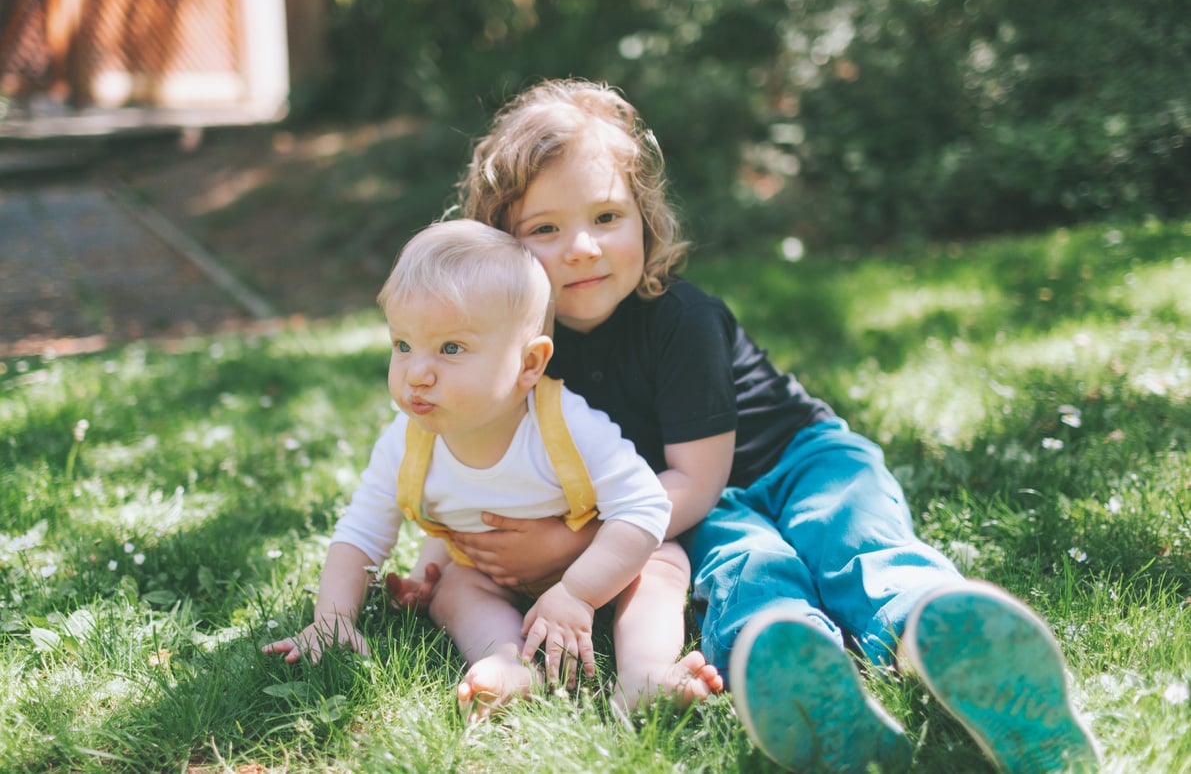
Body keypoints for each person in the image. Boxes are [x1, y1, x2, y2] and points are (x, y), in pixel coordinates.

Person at [445, 78, 1100, 772]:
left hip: (795, 462)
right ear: (500, 250)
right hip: (699, 510)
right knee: (746, 569)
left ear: (645, 219)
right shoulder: (522, 358)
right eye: (544, 229)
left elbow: (694, 479)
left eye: (606, 217)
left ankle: (939, 627)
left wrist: (571, 550)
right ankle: (795, 666)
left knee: (853, 539)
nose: (580, 248)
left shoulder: (681, 320)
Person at [262, 219, 722, 716]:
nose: (417, 372)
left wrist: (578, 592)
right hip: (492, 575)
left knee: (660, 566)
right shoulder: (407, 441)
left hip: (598, 564)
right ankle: (506, 661)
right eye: (403, 345)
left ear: (529, 364)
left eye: (451, 348)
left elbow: (644, 507)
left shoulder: (564, 424)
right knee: (454, 591)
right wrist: (334, 617)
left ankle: (645, 674)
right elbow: (361, 532)